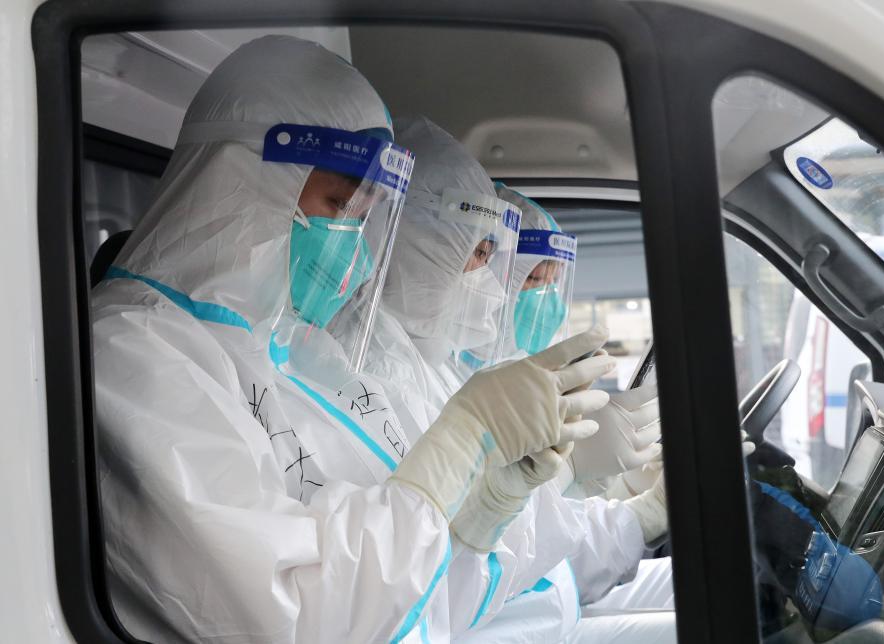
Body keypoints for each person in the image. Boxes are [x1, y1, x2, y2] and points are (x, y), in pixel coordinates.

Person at [91, 36, 612, 643]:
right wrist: (461, 443)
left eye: (363, 217)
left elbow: (417, 609)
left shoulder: (296, 353)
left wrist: (479, 520)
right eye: (340, 203)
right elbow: (295, 616)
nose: (354, 245)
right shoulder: (131, 354)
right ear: (241, 177)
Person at [358, 117, 674, 642]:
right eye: (528, 278)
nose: (511, 295)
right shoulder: (418, 383)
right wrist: (616, 504)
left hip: (535, 604)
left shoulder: (436, 374)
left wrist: (597, 485)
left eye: (551, 283)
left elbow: (520, 546)